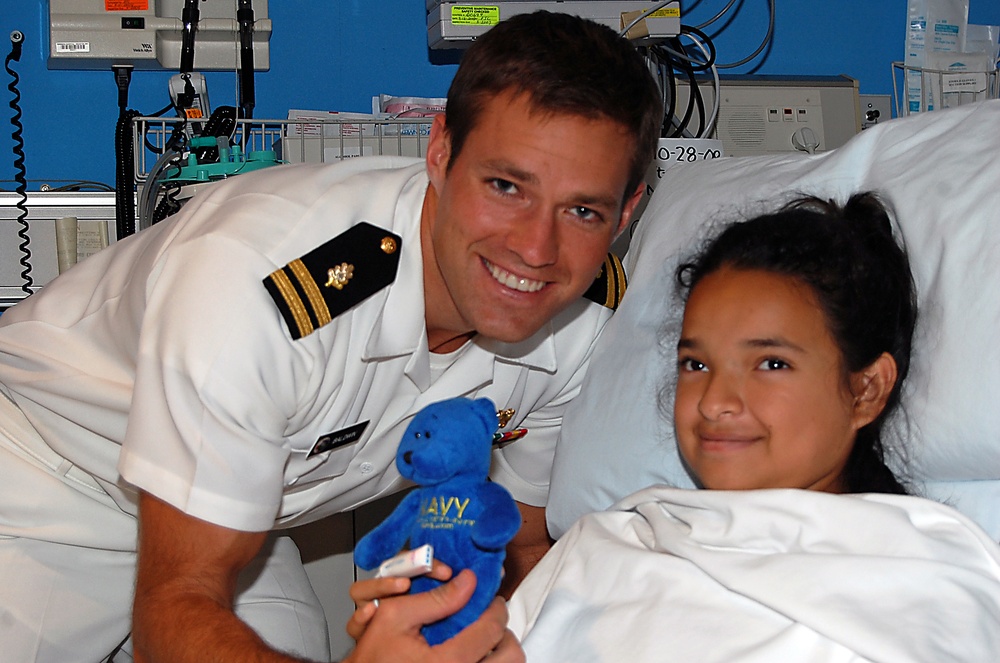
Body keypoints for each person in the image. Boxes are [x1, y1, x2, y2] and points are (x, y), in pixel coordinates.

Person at [0, 11, 662, 663]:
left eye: (582, 210)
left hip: (240, 523)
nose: (535, 249)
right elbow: (173, 606)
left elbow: (518, 543)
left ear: (626, 210)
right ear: (440, 151)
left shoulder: (582, 321)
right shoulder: (260, 288)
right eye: (506, 185)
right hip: (49, 481)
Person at [502, 194, 1000, 661]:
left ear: (866, 389)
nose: (716, 401)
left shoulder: (927, 588)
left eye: (771, 364)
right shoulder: (605, 549)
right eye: (696, 364)